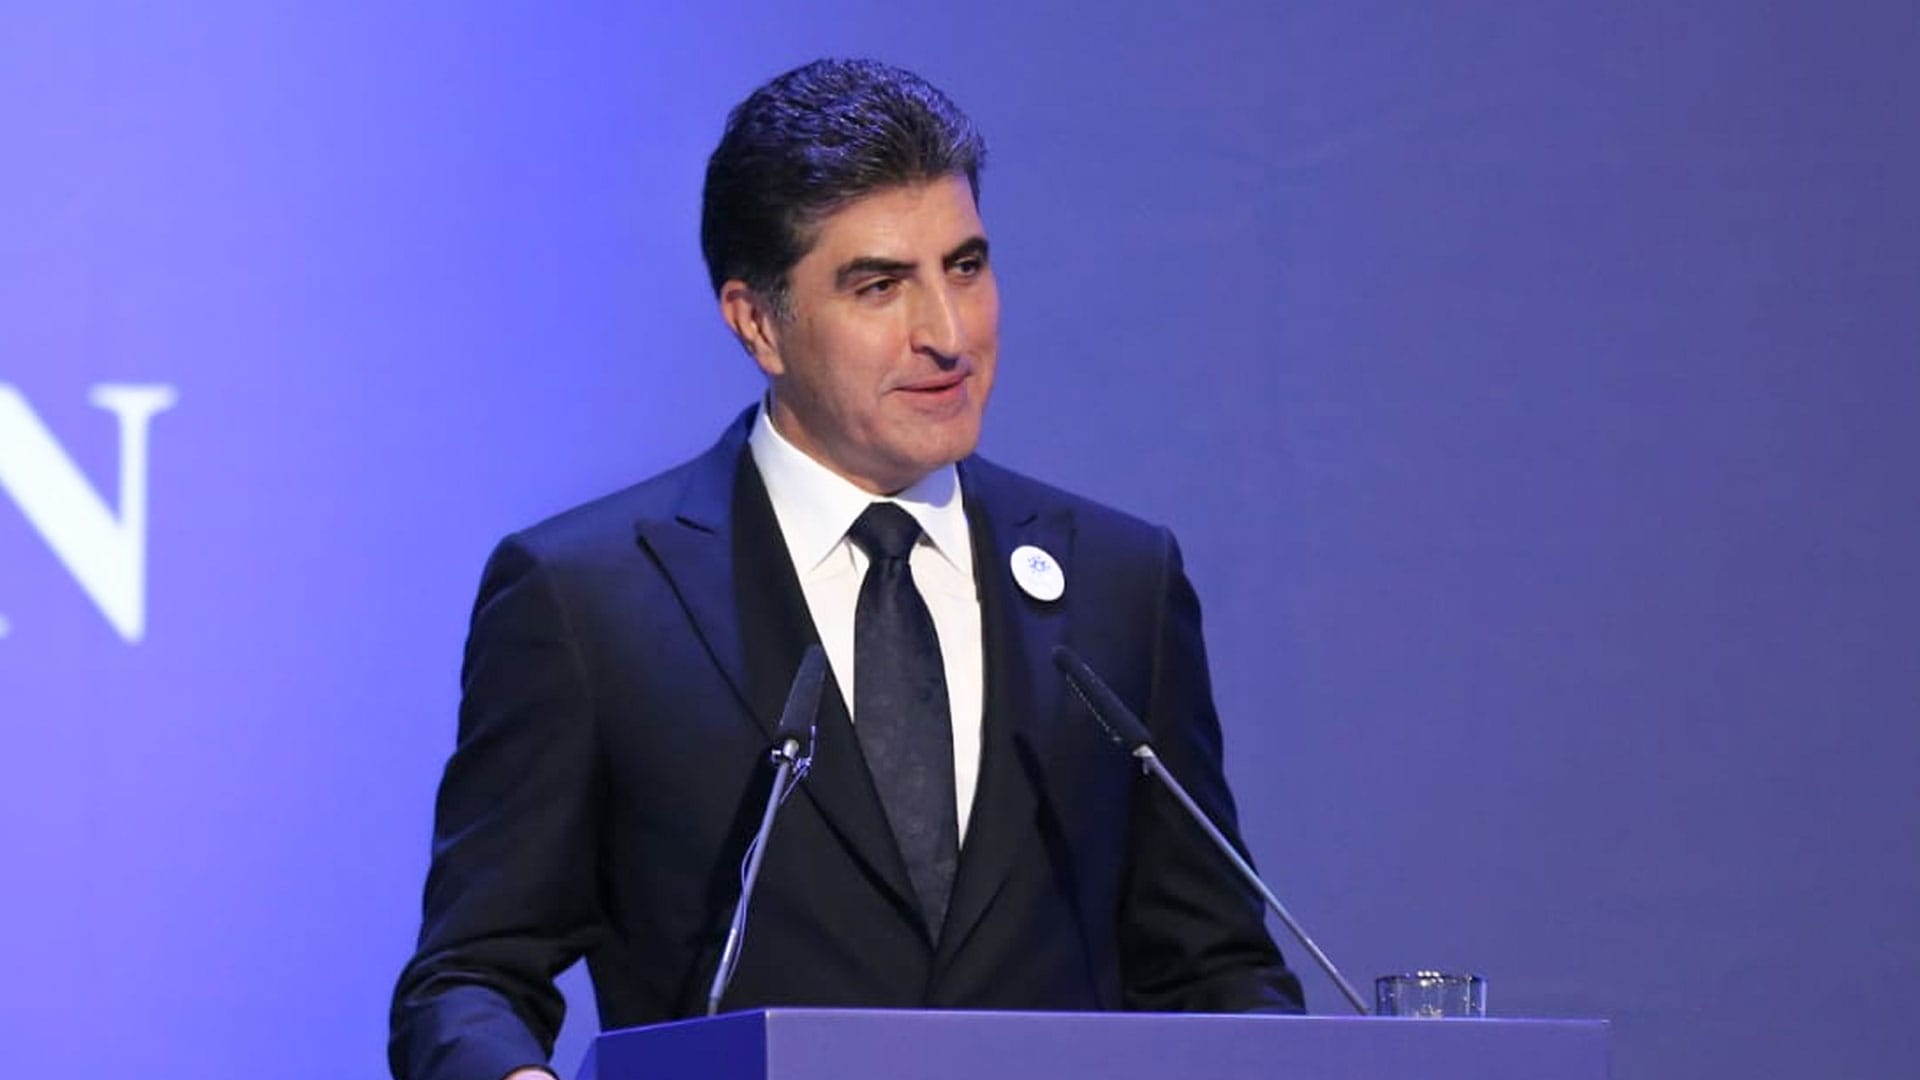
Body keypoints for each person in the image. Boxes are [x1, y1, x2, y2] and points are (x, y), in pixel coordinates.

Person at [390, 58, 1304, 1080]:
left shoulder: (1117, 582)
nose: (947, 335)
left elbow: (1215, 971)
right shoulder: (589, 598)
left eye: (966, 266)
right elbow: (468, 979)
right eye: (880, 286)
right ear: (758, 322)